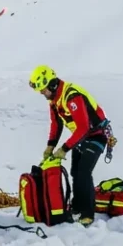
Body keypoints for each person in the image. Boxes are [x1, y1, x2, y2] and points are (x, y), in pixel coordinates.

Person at [30, 65, 111, 226]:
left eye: (42, 89)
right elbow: (56, 124)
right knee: (75, 172)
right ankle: (77, 206)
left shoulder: (72, 96)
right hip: (82, 137)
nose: (41, 93)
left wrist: (64, 148)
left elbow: (83, 127)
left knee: (84, 173)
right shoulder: (54, 100)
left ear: (52, 84)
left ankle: (88, 213)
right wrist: (50, 146)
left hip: (96, 135)